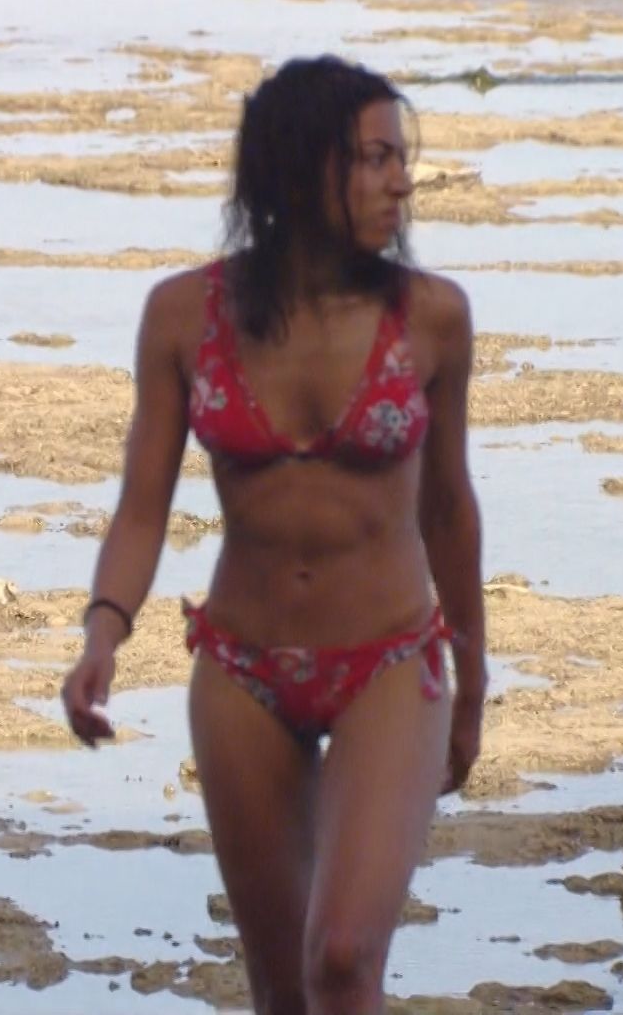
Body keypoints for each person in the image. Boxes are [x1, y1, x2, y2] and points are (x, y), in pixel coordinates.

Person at [59, 54, 488, 1015]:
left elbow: (449, 510)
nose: (401, 182)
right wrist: (103, 633)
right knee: (282, 988)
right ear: (300, 171)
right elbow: (142, 505)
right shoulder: (184, 316)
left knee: (341, 957)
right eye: (374, 158)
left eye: (401, 157)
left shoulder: (431, 319)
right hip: (241, 671)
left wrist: (472, 679)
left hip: (389, 664)